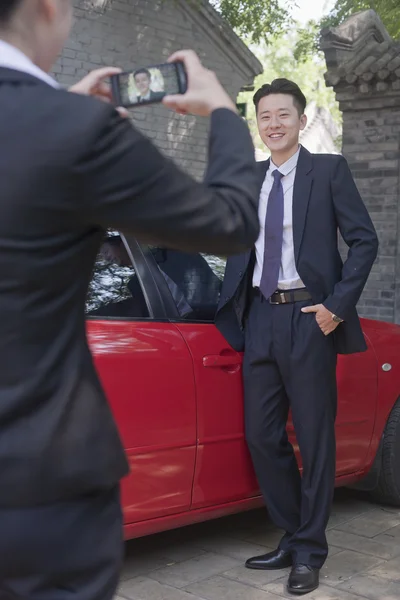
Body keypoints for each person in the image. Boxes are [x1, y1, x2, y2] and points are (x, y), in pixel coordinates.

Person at [0, 0, 261, 598]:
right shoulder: (74, 132)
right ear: (45, 6)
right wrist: (223, 110)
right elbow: (230, 220)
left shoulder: (61, 124)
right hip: (42, 493)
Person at [215, 78, 378, 595]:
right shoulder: (250, 179)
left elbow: (364, 241)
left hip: (310, 317)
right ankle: (293, 532)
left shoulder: (328, 171)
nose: (274, 124)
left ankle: (310, 550)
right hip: (260, 318)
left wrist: (335, 307)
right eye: (265, 116)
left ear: (301, 120)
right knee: (262, 436)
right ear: (258, 123)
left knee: (314, 437)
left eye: (284, 115)